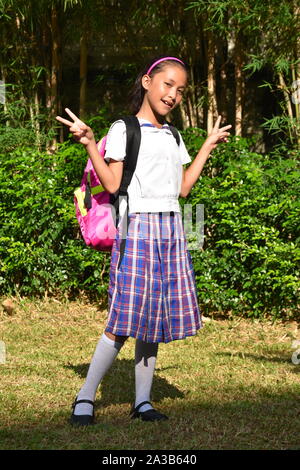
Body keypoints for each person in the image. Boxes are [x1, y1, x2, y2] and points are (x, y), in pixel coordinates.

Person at [56, 56, 232, 426]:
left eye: (180, 90)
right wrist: (90, 142)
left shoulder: (174, 135)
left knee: (153, 319)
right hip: (136, 228)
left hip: (171, 229)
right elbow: (113, 184)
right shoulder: (125, 128)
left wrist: (208, 146)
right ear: (148, 81)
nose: (173, 95)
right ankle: (85, 398)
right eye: (167, 84)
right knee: (122, 319)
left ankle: (142, 402)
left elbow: (182, 189)